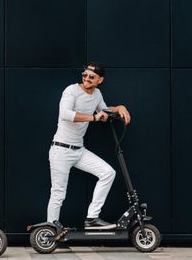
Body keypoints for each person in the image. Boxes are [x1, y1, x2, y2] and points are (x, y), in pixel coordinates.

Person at [46, 62, 131, 230]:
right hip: (61, 150)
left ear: (100, 80)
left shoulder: (97, 94)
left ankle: (92, 218)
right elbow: (65, 114)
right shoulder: (71, 91)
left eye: (91, 77)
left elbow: (105, 111)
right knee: (58, 194)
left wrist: (120, 107)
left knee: (108, 173)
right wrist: (93, 118)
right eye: (84, 75)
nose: (86, 79)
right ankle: (50, 231)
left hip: (79, 150)